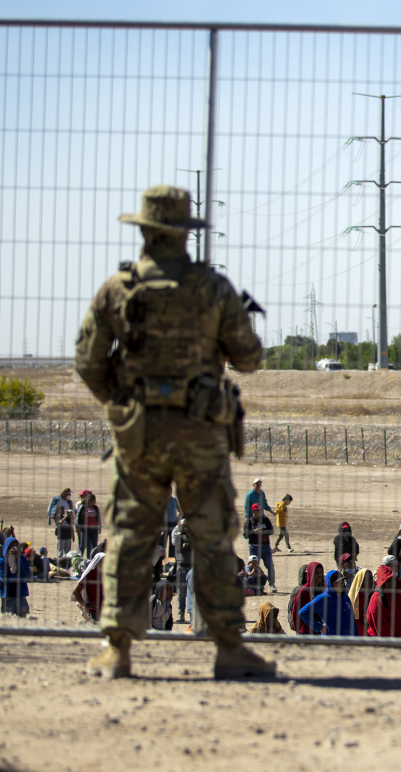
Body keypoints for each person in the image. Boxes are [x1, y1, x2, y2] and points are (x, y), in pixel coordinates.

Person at [73, 185, 273, 680]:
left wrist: (123, 403)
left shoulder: (118, 289)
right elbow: (249, 358)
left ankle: (117, 649)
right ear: (186, 232)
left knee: (130, 535)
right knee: (211, 537)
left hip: (139, 433)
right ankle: (228, 646)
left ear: (143, 230)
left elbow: (87, 361)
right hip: (200, 433)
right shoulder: (213, 288)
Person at [298, 570, 358, 636]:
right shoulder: (323, 598)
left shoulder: (345, 596)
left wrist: (357, 636)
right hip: (332, 640)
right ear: (330, 584)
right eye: (337, 583)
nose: (341, 585)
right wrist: (319, 627)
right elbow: (303, 612)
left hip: (348, 639)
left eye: (342, 582)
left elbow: (351, 617)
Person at [365, 562, 401, 638]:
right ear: (382, 583)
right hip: (385, 641)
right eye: (388, 580)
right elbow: (381, 629)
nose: (392, 583)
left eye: (393, 579)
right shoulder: (377, 598)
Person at [242, 503, 275, 592]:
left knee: (270, 566)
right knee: (254, 567)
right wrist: (254, 531)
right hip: (254, 547)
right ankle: (254, 586)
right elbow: (245, 535)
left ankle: (272, 584)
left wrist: (263, 532)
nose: (259, 512)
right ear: (253, 511)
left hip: (265, 547)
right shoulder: (249, 522)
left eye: (260, 510)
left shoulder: (265, 519)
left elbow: (271, 531)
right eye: (257, 510)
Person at [288, 562, 326, 635]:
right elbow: (296, 610)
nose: (319, 574)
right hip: (306, 630)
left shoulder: (322, 589)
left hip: (320, 628)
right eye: (316, 572)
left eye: (321, 572)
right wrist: (298, 629)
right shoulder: (303, 590)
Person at [1, 535, 31, 617]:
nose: (13, 548)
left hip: (21, 596)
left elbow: (25, 573)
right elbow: (3, 578)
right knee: (6, 621)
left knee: (25, 620)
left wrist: (18, 559)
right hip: (8, 597)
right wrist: (17, 578)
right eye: (11, 546)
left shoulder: (22, 558)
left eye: (15, 546)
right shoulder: (2, 561)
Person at [73, 549, 106, 622]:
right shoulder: (90, 575)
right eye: (102, 561)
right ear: (97, 562)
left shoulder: (108, 575)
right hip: (96, 610)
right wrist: (85, 605)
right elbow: (76, 591)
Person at [170, 518, 192, 622]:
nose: (183, 528)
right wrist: (188, 545)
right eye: (182, 526)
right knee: (182, 593)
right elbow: (180, 548)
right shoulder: (178, 536)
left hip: (191, 567)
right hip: (181, 567)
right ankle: (181, 614)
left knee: (192, 592)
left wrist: (188, 545)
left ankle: (192, 616)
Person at [348, 565, 376, 634]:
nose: (370, 581)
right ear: (360, 581)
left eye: (371, 578)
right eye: (366, 579)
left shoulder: (374, 595)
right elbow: (355, 622)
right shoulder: (356, 598)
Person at [76, 492, 100, 556]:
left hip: (94, 529)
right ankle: (79, 557)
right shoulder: (83, 507)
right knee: (82, 545)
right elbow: (79, 517)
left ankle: (91, 559)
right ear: (90, 501)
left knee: (94, 545)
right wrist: (78, 526)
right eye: (94, 500)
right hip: (85, 529)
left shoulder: (95, 508)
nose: (95, 502)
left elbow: (98, 517)